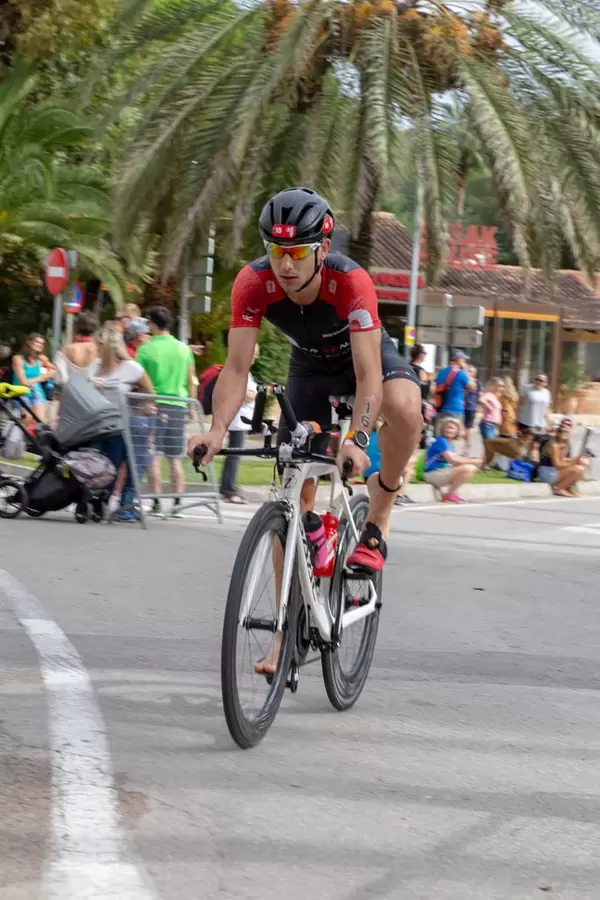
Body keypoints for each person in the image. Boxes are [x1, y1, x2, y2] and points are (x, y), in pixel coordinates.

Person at [188, 185, 421, 573]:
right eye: (276, 252)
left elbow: (368, 376)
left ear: (323, 249)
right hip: (311, 368)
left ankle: (378, 516)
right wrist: (216, 431)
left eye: (297, 253)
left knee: (406, 406)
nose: (285, 265)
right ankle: (287, 608)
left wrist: (357, 438)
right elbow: (237, 368)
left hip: (365, 360)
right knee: (291, 494)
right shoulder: (252, 283)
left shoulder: (351, 281)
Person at [88, 327, 155, 521]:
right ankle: (97, 502)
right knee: (100, 466)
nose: (95, 349)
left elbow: (150, 393)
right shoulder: (95, 366)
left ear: (108, 347)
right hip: (98, 425)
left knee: (118, 465)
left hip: (123, 425)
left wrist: (142, 409)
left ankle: (122, 505)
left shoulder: (131, 368)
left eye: (98, 345)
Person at [137, 306, 197, 518]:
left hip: (154, 405)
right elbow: (191, 379)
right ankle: (178, 503)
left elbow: (139, 378)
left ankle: (156, 502)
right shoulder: (183, 349)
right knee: (174, 458)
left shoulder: (145, 349)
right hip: (178, 404)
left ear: (153, 324)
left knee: (153, 456)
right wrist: (192, 407)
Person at [220, 343, 259, 504]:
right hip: (238, 420)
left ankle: (227, 488)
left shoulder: (244, 372)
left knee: (234, 455)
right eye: (253, 354)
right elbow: (242, 394)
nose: (255, 358)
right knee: (234, 455)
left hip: (241, 420)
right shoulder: (239, 372)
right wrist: (254, 393)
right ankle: (228, 490)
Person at [422, 416, 481, 503]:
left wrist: (469, 459)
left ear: (457, 431)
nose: (449, 430)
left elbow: (456, 460)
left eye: (452, 428)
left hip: (439, 472)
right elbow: (452, 461)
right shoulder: (441, 441)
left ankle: (453, 494)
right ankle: (449, 494)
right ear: (442, 429)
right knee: (469, 468)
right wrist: (474, 461)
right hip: (431, 474)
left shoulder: (450, 444)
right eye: (447, 428)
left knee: (467, 468)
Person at [536, 416, 589, 496]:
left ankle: (567, 487)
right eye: (561, 431)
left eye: (566, 431)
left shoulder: (565, 445)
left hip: (555, 471)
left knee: (582, 465)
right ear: (557, 432)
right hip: (547, 471)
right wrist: (574, 462)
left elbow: (563, 460)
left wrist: (578, 459)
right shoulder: (554, 445)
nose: (563, 433)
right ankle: (559, 488)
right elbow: (558, 465)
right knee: (578, 469)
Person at [11, 333, 56, 423]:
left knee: (40, 422)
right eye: (37, 342)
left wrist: (51, 373)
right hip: (21, 394)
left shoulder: (41, 359)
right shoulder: (18, 359)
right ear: (29, 343)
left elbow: (55, 369)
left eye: (42, 344)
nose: (40, 345)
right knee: (26, 422)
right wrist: (42, 377)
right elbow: (23, 382)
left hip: (37, 393)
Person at [54, 311, 99, 385]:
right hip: (93, 391)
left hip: (71, 390)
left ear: (76, 327)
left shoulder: (65, 350)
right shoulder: (100, 351)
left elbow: (61, 379)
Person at [434, 350, 476, 425]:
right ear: (459, 359)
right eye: (464, 360)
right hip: (455, 410)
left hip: (441, 409)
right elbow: (472, 387)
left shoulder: (441, 372)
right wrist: (466, 369)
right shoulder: (461, 373)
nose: (465, 362)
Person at [463, 364, 481, 452]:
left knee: (468, 428)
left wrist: (478, 406)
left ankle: (467, 446)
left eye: (472, 372)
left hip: (471, 407)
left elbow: (479, 395)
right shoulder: (464, 381)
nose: (470, 373)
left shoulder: (477, 383)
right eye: (469, 371)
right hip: (461, 406)